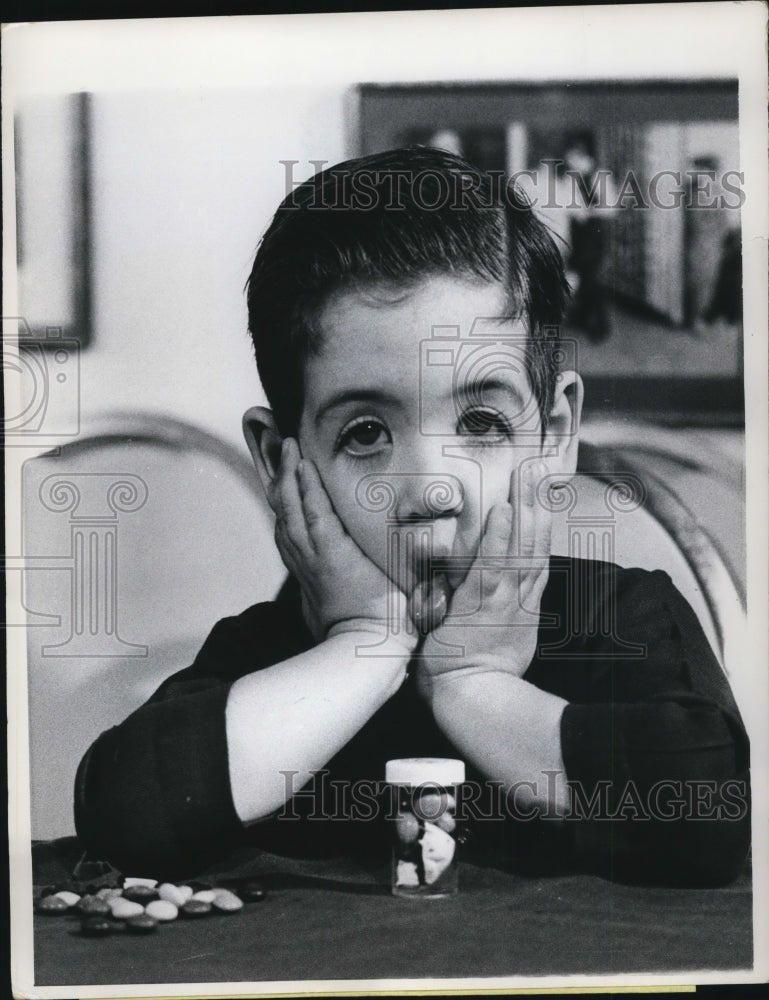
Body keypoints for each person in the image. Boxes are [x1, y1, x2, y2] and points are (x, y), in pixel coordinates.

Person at [74, 148, 749, 886]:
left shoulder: (621, 616)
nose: (431, 490)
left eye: (483, 423)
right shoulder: (267, 655)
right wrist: (364, 644)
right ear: (281, 461)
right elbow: (122, 817)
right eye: (365, 434)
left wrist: (474, 683)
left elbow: (710, 812)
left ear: (554, 436)